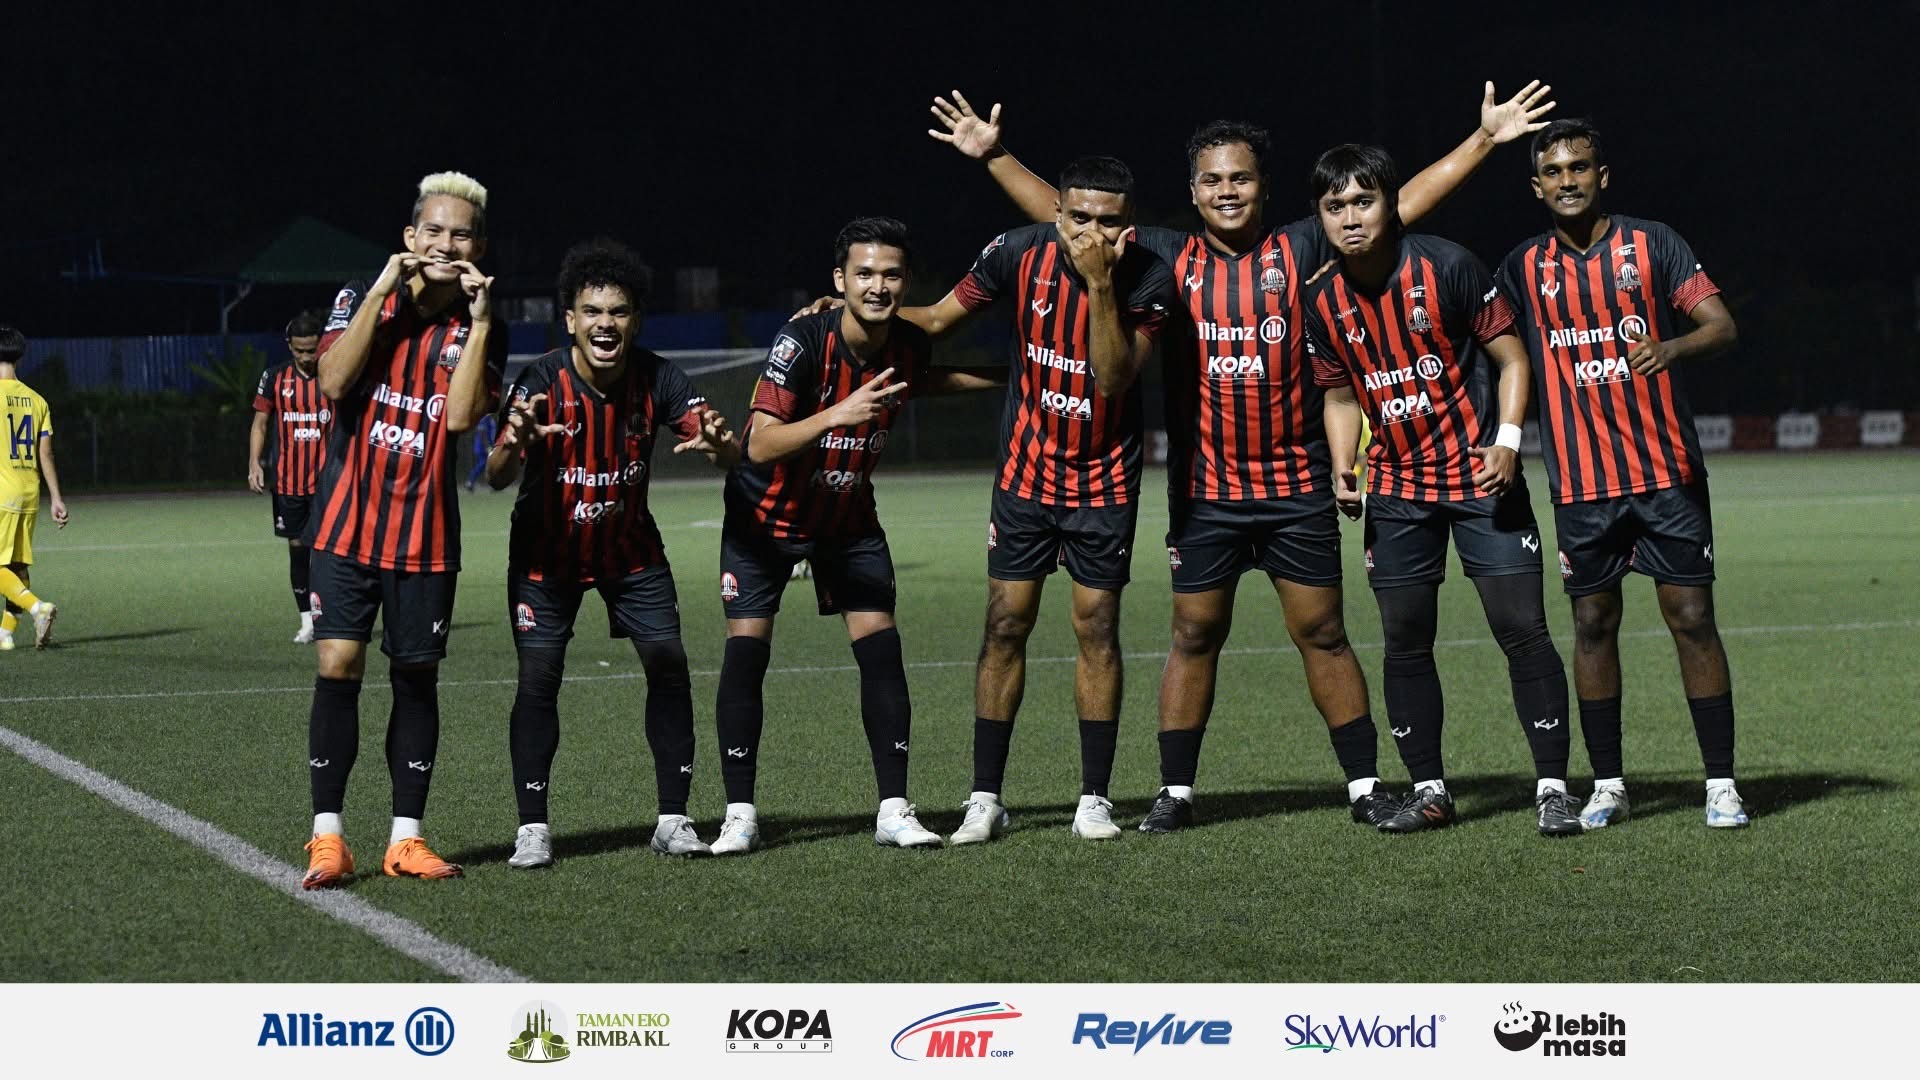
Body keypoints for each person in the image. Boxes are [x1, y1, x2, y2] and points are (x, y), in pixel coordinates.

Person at [929, 82, 1555, 831]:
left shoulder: (1302, 247)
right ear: (1192, 191)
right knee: (1193, 634)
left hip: (1295, 489)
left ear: (1263, 186)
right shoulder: (1166, 257)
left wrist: (1483, 140)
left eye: (1241, 178)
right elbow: (1073, 220)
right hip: (1206, 493)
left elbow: (1402, 204)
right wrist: (995, 156)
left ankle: (1363, 787)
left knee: (1323, 633)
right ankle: (1176, 793)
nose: (1227, 191)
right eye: (1212, 180)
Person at [886, 159, 1174, 844]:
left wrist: (1100, 285)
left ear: (1129, 226)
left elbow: (1112, 378)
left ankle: (1094, 799)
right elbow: (934, 319)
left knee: (1096, 628)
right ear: (1058, 214)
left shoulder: (1149, 278)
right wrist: (853, 313)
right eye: (1079, 218)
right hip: (1025, 476)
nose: (1091, 234)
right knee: (1005, 624)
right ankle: (984, 799)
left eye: (1108, 222)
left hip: (1104, 482)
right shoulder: (1016, 252)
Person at [1303, 144, 1582, 837]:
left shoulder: (1448, 266)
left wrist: (1509, 442)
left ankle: (1552, 789)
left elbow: (1512, 358)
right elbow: (1339, 394)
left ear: (1390, 205)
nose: (1350, 218)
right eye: (1335, 206)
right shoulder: (1321, 299)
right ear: (1321, 216)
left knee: (1522, 630)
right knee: (1404, 640)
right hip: (1397, 490)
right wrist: (1344, 462)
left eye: (1363, 201)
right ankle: (1429, 791)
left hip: (1481, 477)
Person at [710, 217, 1002, 855]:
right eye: (864, 273)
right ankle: (739, 814)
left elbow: (923, 382)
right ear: (839, 280)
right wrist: (836, 414)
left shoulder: (906, 344)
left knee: (881, 651)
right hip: (766, 520)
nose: (878, 286)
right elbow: (759, 442)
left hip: (846, 518)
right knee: (748, 654)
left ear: (905, 282)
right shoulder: (802, 340)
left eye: (891, 275)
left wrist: (1012, 377)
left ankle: (894, 810)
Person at [1497, 119, 1745, 829]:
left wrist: (1672, 348)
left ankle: (1720, 784)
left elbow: (1722, 326)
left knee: (1691, 618)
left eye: (1579, 167)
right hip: (1581, 483)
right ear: (1537, 186)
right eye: (1553, 171)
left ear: (1602, 176)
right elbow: (1491, 343)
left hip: (1666, 473)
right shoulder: (1521, 267)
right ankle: (1608, 784)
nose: (1567, 180)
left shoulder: (1654, 244)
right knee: (1592, 622)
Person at [488, 238, 740, 868]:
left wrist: (721, 446)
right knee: (538, 681)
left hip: (630, 552)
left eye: (619, 311)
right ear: (570, 319)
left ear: (636, 319)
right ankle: (532, 828)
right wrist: (513, 443)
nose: (606, 323)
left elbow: (726, 451)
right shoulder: (541, 380)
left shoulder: (658, 377)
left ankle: (673, 820)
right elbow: (495, 475)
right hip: (546, 558)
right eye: (593, 311)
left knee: (669, 665)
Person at [299, 171, 504, 888]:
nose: (447, 244)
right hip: (344, 527)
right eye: (435, 231)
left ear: (479, 247)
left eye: (463, 235)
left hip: (425, 538)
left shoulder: (483, 324)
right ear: (411, 236)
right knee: (337, 666)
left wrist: (482, 324)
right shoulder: (363, 295)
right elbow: (332, 381)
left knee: (416, 678)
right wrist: (382, 294)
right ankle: (328, 836)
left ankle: (405, 839)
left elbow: (460, 418)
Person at [249, 309, 331, 644]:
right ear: (289, 345)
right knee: (298, 551)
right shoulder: (275, 377)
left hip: (329, 484)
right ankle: (307, 620)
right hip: (288, 483)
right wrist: (254, 463)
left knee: (330, 553)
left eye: (312, 349)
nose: (306, 357)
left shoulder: (335, 374)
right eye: (300, 350)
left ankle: (332, 617)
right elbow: (260, 423)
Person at [0, 326, 66, 651]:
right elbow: (46, 454)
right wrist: (56, 497)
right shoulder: (38, 400)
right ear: (20, 358)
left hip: (1, 493)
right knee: (17, 565)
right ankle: (5, 634)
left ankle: (37, 607)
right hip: (29, 492)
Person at [465, 411, 497, 492]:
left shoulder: (490, 419)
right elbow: (483, 434)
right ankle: (470, 481)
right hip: (482, 448)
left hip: (487, 447)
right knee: (484, 464)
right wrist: (487, 446)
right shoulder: (484, 419)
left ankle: (471, 482)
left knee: (487, 465)